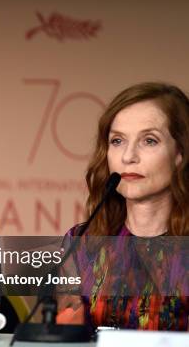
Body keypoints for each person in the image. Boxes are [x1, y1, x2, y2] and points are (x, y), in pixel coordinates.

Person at [58, 82, 188, 331]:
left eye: (149, 141)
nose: (128, 157)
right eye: (117, 141)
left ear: (180, 153)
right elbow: (67, 339)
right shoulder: (80, 243)